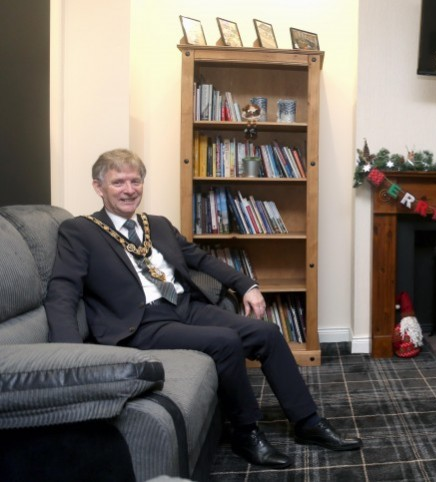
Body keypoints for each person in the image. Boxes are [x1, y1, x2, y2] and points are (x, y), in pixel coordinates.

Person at [44, 148, 362, 470]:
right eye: (118, 183)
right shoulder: (80, 231)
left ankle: (308, 422)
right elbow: (62, 292)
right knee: (224, 342)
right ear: (99, 188)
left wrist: (246, 285)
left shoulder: (157, 224)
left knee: (266, 332)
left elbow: (201, 259)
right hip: (140, 323)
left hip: (185, 306)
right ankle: (245, 432)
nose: (129, 190)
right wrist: (70, 353)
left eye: (135, 181)